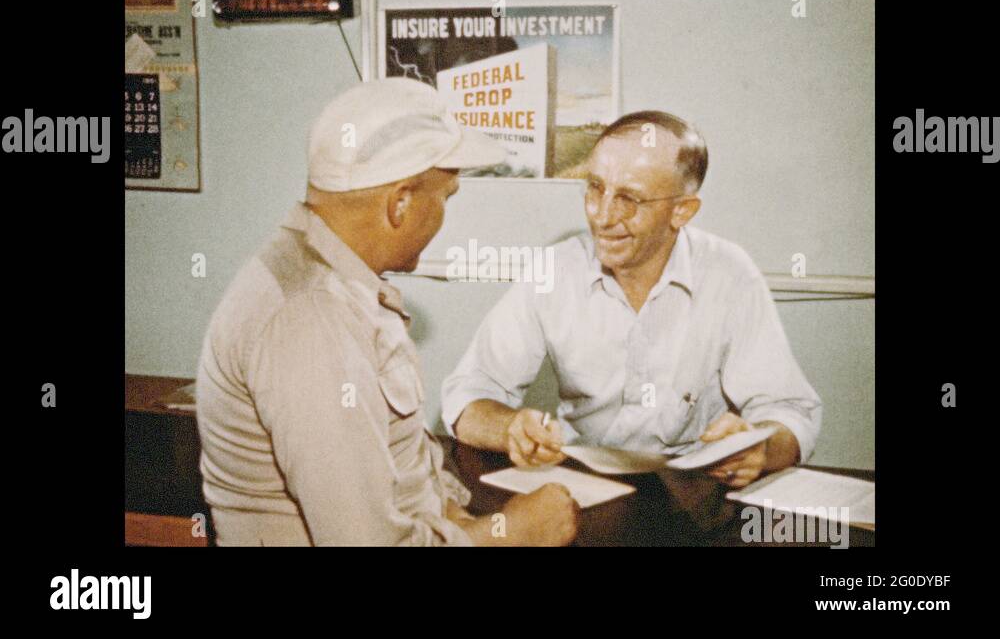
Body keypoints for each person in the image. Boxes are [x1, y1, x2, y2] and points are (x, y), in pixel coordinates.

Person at [196, 78, 580, 546]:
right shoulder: (312, 321)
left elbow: (398, 469)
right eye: (446, 197)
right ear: (400, 202)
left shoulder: (331, 279)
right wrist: (516, 534)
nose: (443, 215)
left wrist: (459, 517)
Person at [442, 111, 821, 489]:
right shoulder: (554, 270)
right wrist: (509, 427)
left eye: (630, 198)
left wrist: (758, 447)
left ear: (681, 211)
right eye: (595, 187)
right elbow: (469, 392)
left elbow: (790, 412)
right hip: (580, 485)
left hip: (694, 490)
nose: (602, 216)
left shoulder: (729, 273)